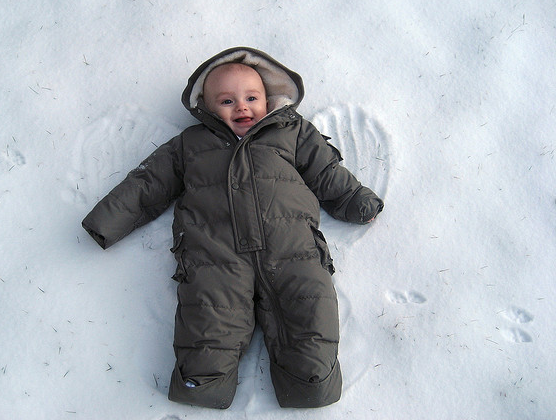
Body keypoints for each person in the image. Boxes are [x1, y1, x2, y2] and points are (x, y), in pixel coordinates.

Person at [81, 47, 384, 409]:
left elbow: (326, 172)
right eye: (226, 100)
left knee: (308, 313)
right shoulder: (190, 146)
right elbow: (147, 185)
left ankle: (310, 384)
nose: (241, 107)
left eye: (251, 98)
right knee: (209, 323)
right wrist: (106, 222)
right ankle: (203, 386)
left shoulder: (292, 132)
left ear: (268, 99)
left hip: (292, 250)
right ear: (207, 108)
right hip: (214, 257)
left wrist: (356, 200)